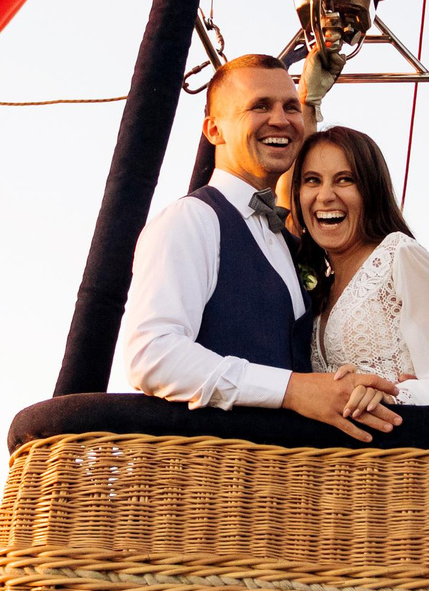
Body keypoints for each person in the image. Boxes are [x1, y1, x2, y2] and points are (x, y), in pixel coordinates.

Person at [116, 54, 405, 442]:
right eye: (260, 106)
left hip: (288, 486)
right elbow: (153, 354)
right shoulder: (192, 220)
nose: (281, 120)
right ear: (214, 130)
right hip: (213, 482)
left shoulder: (286, 241)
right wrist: (293, 390)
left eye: (291, 107)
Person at [288, 125, 429, 411]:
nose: (325, 196)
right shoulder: (318, 286)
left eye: (344, 180)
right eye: (312, 180)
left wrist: (394, 394)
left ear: (371, 190)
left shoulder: (399, 255)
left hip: (404, 452)